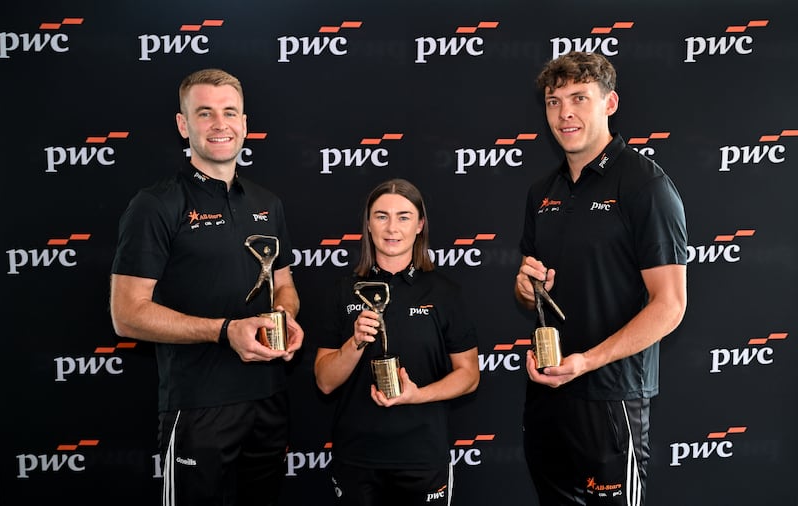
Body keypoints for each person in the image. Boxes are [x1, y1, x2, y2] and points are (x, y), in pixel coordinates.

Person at [109, 68, 304, 506]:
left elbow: (285, 284)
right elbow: (127, 314)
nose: (220, 124)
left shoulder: (266, 202)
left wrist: (286, 318)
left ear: (245, 123)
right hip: (198, 407)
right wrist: (223, 331)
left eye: (230, 112)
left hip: (269, 399)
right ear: (184, 125)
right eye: (205, 113)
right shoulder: (156, 204)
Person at [514, 51, 687, 506]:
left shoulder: (645, 185)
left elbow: (669, 305)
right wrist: (526, 288)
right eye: (554, 101)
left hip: (610, 397)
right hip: (548, 394)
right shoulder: (541, 193)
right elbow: (534, 297)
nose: (565, 112)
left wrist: (588, 361)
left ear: (609, 104)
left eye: (579, 98)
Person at [314, 178, 480, 506]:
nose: (392, 228)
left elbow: (470, 375)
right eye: (381, 216)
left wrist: (418, 396)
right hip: (357, 457)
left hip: (422, 457)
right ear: (368, 224)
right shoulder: (344, 291)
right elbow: (324, 382)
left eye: (403, 216)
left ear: (420, 225)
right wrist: (355, 343)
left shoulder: (445, 292)